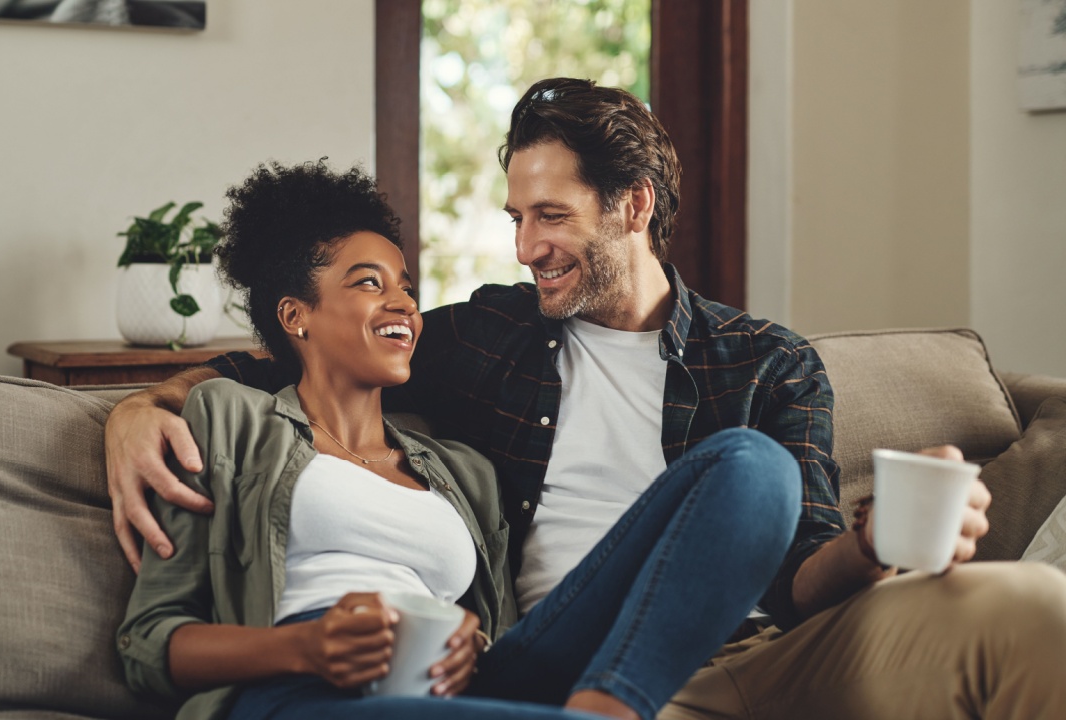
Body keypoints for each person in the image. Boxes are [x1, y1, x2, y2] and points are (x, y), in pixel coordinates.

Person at [108, 79, 1066, 719]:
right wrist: (141, 405)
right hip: (557, 668)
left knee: (1022, 601)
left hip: (749, 653)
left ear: (633, 205)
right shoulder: (489, 333)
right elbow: (291, 359)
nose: (526, 247)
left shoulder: (766, 362)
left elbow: (803, 575)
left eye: (551, 216)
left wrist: (876, 543)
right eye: (517, 219)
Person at [116, 159, 801, 720]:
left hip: (472, 689)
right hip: (299, 695)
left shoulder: (461, 472)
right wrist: (305, 647)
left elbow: (496, 627)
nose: (403, 304)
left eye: (407, 288)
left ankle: (610, 707)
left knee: (752, 466)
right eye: (368, 283)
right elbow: (147, 645)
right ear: (295, 315)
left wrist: (472, 638)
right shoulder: (227, 421)